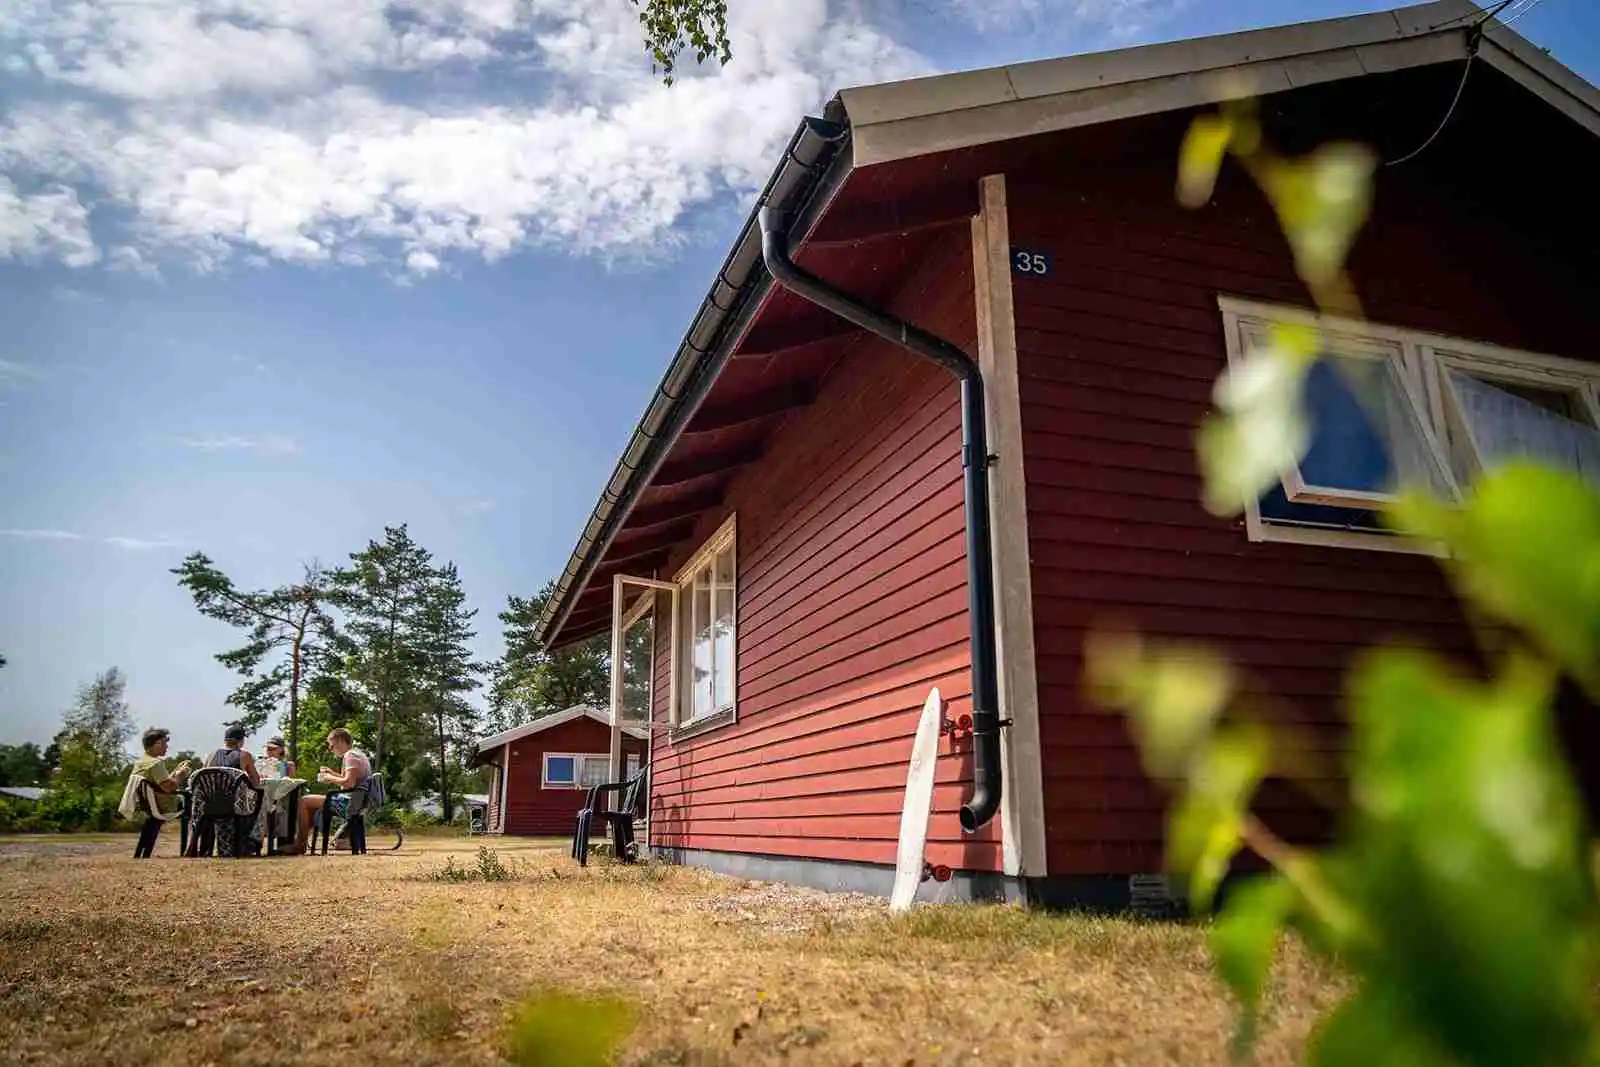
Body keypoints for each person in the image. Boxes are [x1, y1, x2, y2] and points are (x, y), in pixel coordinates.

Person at [292, 728, 372, 854]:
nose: (330, 749)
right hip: (358, 800)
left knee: (304, 801)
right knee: (311, 805)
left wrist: (329, 778)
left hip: (350, 802)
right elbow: (349, 781)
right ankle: (300, 843)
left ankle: (299, 844)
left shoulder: (350, 756)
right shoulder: (358, 754)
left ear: (340, 741)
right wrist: (332, 773)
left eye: (332, 745)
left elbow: (349, 783)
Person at [130, 727, 191, 815]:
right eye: (164, 743)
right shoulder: (156, 763)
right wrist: (180, 776)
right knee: (195, 801)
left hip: (147, 805)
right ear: (157, 744)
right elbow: (169, 788)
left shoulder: (140, 763)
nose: (166, 746)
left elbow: (160, 784)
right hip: (162, 807)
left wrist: (175, 772)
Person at [203, 724, 262, 788]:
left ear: (225, 741)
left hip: (210, 796)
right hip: (234, 796)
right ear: (241, 741)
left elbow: (203, 778)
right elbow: (256, 781)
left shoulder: (212, 754)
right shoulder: (244, 755)